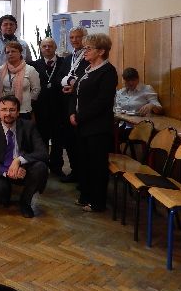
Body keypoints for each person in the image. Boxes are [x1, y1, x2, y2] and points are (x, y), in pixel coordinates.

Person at [70, 33, 118, 213]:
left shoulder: (108, 72)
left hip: (97, 127)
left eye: (89, 48)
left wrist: (79, 116)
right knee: (84, 162)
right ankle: (86, 196)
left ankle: (97, 202)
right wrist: (72, 112)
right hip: (83, 126)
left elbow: (102, 101)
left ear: (101, 51)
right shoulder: (87, 69)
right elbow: (75, 93)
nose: (85, 51)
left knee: (97, 166)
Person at [0, 95, 49, 218]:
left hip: (23, 169)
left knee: (41, 167)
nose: (8, 113)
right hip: (1, 169)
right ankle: (5, 193)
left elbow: (43, 152)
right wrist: (7, 171)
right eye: (4, 109)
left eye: (12, 110)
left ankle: (25, 202)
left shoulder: (29, 126)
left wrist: (19, 160)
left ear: (18, 112)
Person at [59, 26, 89, 183]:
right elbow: (61, 76)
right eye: (72, 37)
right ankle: (74, 171)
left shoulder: (89, 57)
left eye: (78, 37)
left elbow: (88, 80)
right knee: (69, 141)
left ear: (85, 38)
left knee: (81, 143)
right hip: (67, 104)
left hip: (82, 106)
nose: (75, 40)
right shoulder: (67, 58)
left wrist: (75, 87)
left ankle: (84, 175)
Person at [32, 37, 66, 176]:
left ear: (55, 47)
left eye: (50, 46)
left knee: (58, 141)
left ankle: (57, 168)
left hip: (60, 109)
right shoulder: (34, 65)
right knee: (42, 141)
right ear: (40, 48)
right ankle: (43, 168)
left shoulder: (64, 63)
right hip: (41, 110)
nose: (47, 48)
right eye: (44, 46)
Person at [0, 41, 40, 119]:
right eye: (7, 52)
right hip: (6, 110)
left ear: (20, 53)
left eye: (13, 51)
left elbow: (36, 89)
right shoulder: (1, 70)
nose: (10, 54)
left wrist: (28, 100)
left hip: (23, 109)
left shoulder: (30, 69)